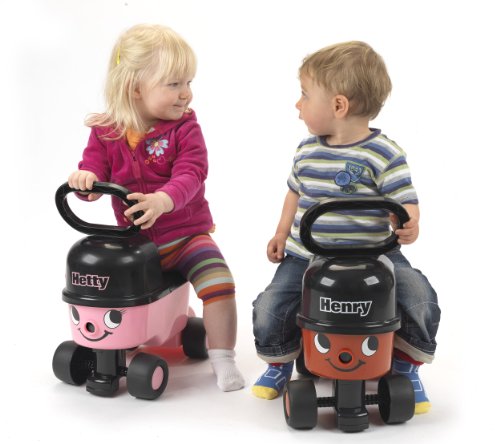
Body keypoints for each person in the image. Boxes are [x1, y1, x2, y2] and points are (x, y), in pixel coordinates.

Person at [252, 41, 440, 414]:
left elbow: (405, 200)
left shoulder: (384, 153)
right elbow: (294, 193)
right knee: (271, 304)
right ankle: (279, 361)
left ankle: (406, 367)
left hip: (376, 256)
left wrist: (410, 223)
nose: (298, 104)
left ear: (338, 106)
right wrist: (280, 233)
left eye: (305, 95)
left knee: (419, 296)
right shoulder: (307, 150)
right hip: (307, 255)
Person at [68, 24, 244, 392]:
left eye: (188, 82)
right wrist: (85, 182)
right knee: (103, 279)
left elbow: (192, 172)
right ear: (136, 88)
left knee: (219, 284)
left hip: (186, 236)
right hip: (135, 244)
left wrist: (164, 200)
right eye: (174, 84)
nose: (186, 93)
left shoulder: (184, 128)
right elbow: (93, 172)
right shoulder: (106, 131)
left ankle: (223, 357)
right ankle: (116, 334)